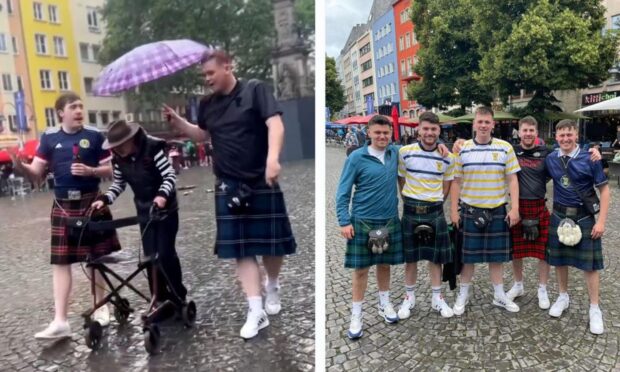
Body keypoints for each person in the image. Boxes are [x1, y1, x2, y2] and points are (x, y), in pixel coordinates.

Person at [162, 50, 296, 339]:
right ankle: (255, 309)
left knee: (272, 246)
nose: (207, 79)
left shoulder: (254, 90)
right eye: (204, 75)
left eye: (210, 73)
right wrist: (179, 123)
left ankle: (272, 283)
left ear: (227, 66)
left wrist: (273, 158)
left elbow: (275, 123)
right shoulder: (206, 104)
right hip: (227, 183)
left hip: (260, 180)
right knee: (242, 250)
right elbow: (202, 135)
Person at [10, 92, 121, 339]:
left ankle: (102, 308)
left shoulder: (94, 135)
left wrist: (92, 170)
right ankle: (60, 321)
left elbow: (115, 169)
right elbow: (36, 174)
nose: (79, 110)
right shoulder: (49, 137)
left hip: (92, 201)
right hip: (62, 205)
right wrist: (20, 167)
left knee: (96, 257)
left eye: (81, 106)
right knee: (60, 262)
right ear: (61, 112)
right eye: (74, 107)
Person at [92, 120, 188, 310]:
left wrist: (161, 196)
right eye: (114, 147)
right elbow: (119, 184)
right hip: (144, 211)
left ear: (131, 139)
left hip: (165, 210)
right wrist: (104, 199)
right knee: (150, 257)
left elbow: (169, 175)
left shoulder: (152, 149)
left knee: (166, 254)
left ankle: (178, 295)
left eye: (120, 145)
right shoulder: (118, 159)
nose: (117, 150)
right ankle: (159, 298)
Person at [336, 114, 404, 339]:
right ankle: (356, 314)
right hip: (362, 220)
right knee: (361, 270)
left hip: (388, 220)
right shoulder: (357, 157)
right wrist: (344, 220)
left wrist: (449, 147)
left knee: (385, 265)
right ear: (369, 133)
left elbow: (424, 147)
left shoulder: (395, 153)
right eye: (378, 132)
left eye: (386, 133)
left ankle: (384, 303)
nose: (382, 136)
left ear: (391, 134)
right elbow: (343, 191)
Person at [450, 106, 521, 315]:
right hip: (470, 210)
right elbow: (455, 182)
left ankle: (499, 295)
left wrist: (515, 208)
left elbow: (513, 179)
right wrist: (454, 211)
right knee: (467, 257)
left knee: (496, 257)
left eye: (486, 122)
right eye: (479, 122)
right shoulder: (462, 150)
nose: (483, 125)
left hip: (497, 210)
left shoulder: (505, 147)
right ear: (474, 124)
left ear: (493, 124)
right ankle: (463, 294)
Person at [545, 119, 610, 334]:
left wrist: (601, 221)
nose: (565, 138)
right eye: (561, 135)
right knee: (560, 260)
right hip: (559, 215)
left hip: (584, 217)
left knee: (590, 266)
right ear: (556, 137)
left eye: (569, 134)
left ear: (576, 136)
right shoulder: (551, 158)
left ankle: (594, 308)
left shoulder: (590, 158)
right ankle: (563, 297)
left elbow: (605, 191)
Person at [397, 112, 455, 320]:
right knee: (410, 258)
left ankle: (437, 298)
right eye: (426, 129)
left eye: (433, 129)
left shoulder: (447, 157)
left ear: (438, 130)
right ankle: (409, 297)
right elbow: (401, 179)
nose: (429, 133)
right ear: (418, 130)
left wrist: (437, 200)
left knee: (435, 257)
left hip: (434, 209)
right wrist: (410, 200)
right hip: (412, 209)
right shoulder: (404, 152)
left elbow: (447, 183)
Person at [504, 117, 552, 309]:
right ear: (519, 131)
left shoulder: (547, 153)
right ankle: (518, 285)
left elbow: (566, 157)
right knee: (516, 251)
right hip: (518, 207)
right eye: (525, 130)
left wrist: (594, 152)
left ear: (536, 132)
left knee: (543, 253)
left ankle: (542, 288)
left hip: (539, 206)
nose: (528, 134)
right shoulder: (511, 151)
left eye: (532, 130)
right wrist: (457, 144)